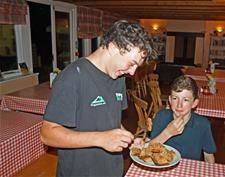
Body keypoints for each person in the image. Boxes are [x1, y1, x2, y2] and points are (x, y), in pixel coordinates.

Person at [40, 20, 156, 177]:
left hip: (113, 170)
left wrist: (127, 139)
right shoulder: (72, 77)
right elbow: (47, 134)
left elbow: (111, 120)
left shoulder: (118, 76)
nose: (132, 72)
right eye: (131, 63)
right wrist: (101, 139)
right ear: (114, 47)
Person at [149, 75, 216, 163]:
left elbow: (208, 157)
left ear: (194, 103)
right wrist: (168, 132)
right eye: (175, 98)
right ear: (169, 100)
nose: (179, 105)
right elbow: (149, 150)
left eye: (186, 100)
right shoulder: (161, 116)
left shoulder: (202, 124)